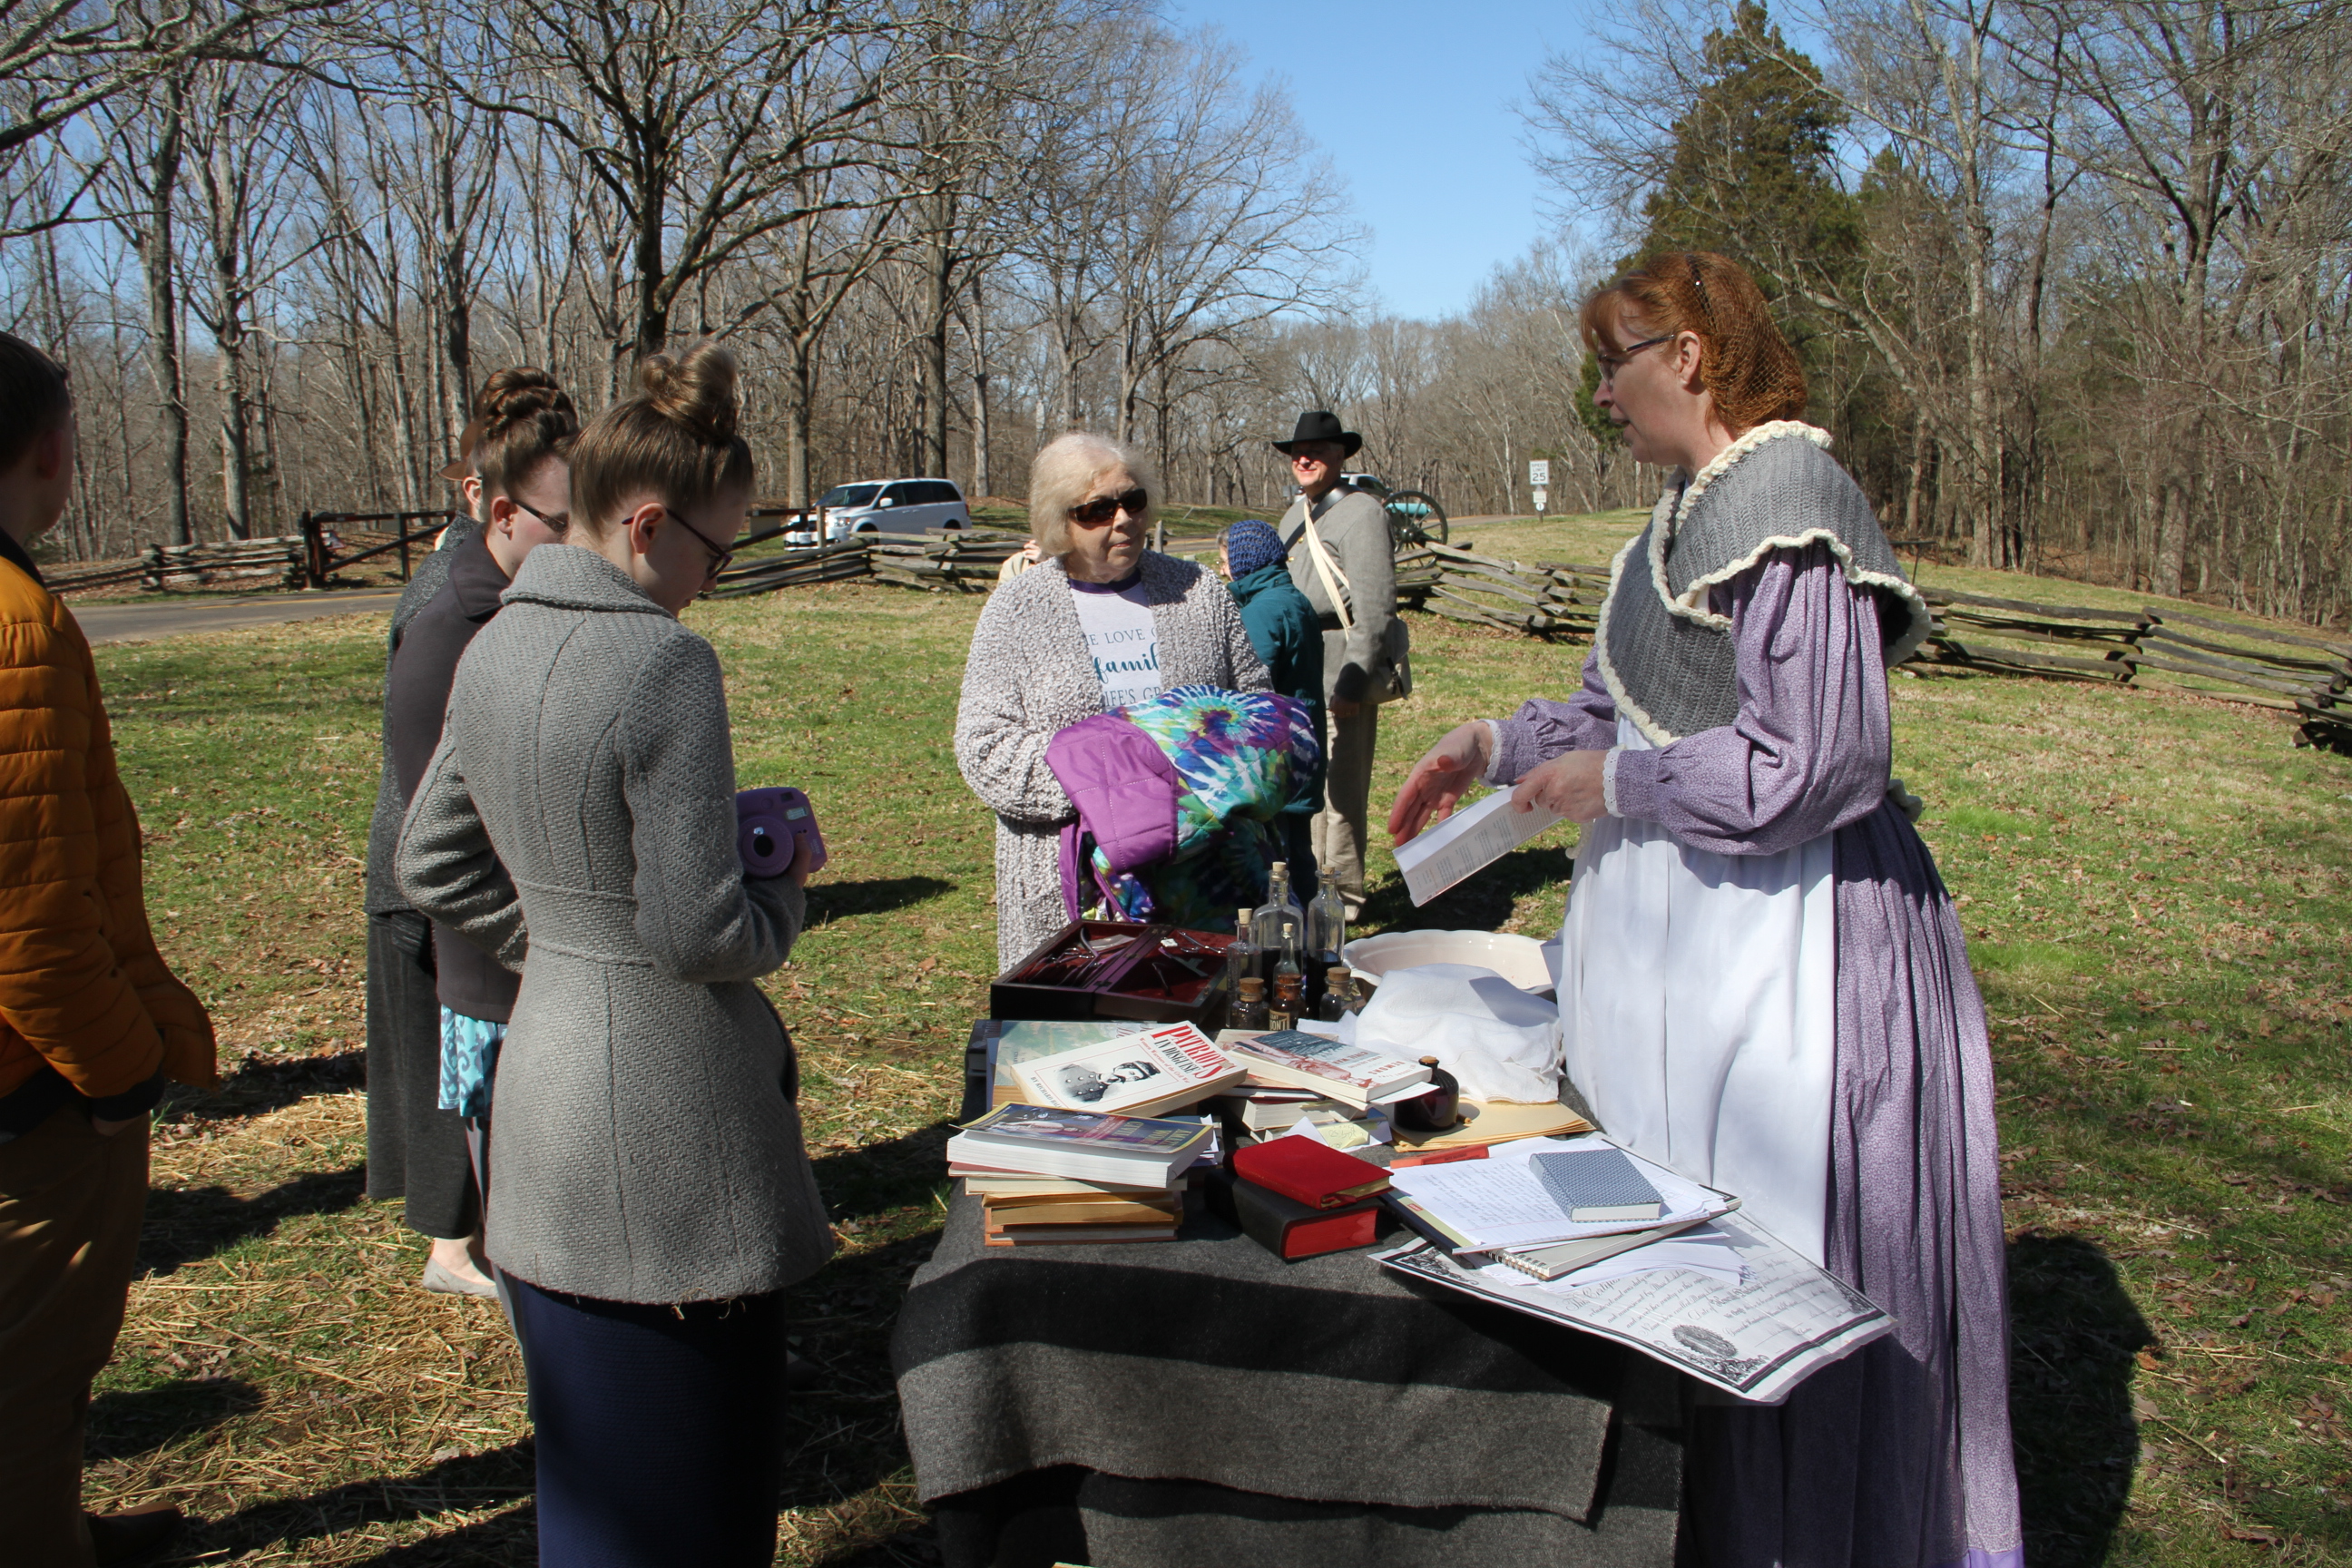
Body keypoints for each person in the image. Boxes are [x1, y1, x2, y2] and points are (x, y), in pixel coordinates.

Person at [1387, 252, 2018, 1566]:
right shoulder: (1674, 521)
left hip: (1791, 944)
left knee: (1787, 1254)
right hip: (1682, 939)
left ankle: (1813, 1531)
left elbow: (1818, 760)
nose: (1601, 397)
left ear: (1687, 354)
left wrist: (1618, 781)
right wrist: (1493, 744)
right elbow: (1625, 710)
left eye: (1613, 364)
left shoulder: (1790, 500)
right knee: (1681, 1262)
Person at [398, 344, 830, 1567]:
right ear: (647, 527)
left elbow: (427, 860)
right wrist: (785, 891)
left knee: (591, 1496)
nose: (715, 578)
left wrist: (563, 942)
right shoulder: (664, 664)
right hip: (673, 1138)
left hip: (540, 1121)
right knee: (696, 1505)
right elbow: (701, 935)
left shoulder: (494, 643)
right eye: (718, 549)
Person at [0, 333, 217, 1567]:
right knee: (30, 1376)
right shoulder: (15, 625)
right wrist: (118, 1071)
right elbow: (28, 917)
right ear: (49, 447)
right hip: (27, 1092)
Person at [382, 368, 578, 1300]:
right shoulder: (450, 626)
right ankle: (471, 1258)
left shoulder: (518, 606)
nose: (575, 542)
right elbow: (438, 838)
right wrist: (539, 938)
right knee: (479, 1111)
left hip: (527, 929)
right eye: (558, 522)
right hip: (470, 937)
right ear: (498, 513)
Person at [956, 433, 1269, 968]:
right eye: (1098, 509)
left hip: (1203, 876)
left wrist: (1202, 776)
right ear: (1061, 521)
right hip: (1071, 882)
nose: (1122, 519)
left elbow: (1256, 709)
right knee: (1081, 1030)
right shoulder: (1017, 608)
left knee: (1200, 1022)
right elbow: (985, 746)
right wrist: (1116, 789)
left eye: (1133, 501)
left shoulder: (1198, 591)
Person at [366, 385, 523, 1298]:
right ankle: (452, 1248)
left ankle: (463, 1239)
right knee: (439, 1064)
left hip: (435, 860)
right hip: (418, 870)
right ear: (477, 495)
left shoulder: (481, 583)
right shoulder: (449, 599)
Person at [1273, 411, 1403, 922]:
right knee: (1305, 793)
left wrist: (1352, 681)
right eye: (1297, 452)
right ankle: (1310, 890)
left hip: (1341, 670)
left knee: (1342, 798)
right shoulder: (1292, 518)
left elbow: (1375, 609)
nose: (1304, 458)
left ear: (1340, 456)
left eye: (1318, 450)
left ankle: (1342, 901)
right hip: (1297, 678)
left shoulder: (1362, 512)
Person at [1221, 516, 1323, 887]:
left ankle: (1296, 938)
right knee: (1298, 854)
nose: (1223, 570)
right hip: (1301, 751)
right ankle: (1313, 932)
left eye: (1226, 560)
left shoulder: (1261, 611)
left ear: (1244, 563)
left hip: (1275, 761)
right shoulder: (1293, 599)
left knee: (1281, 868)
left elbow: (1251, 690)